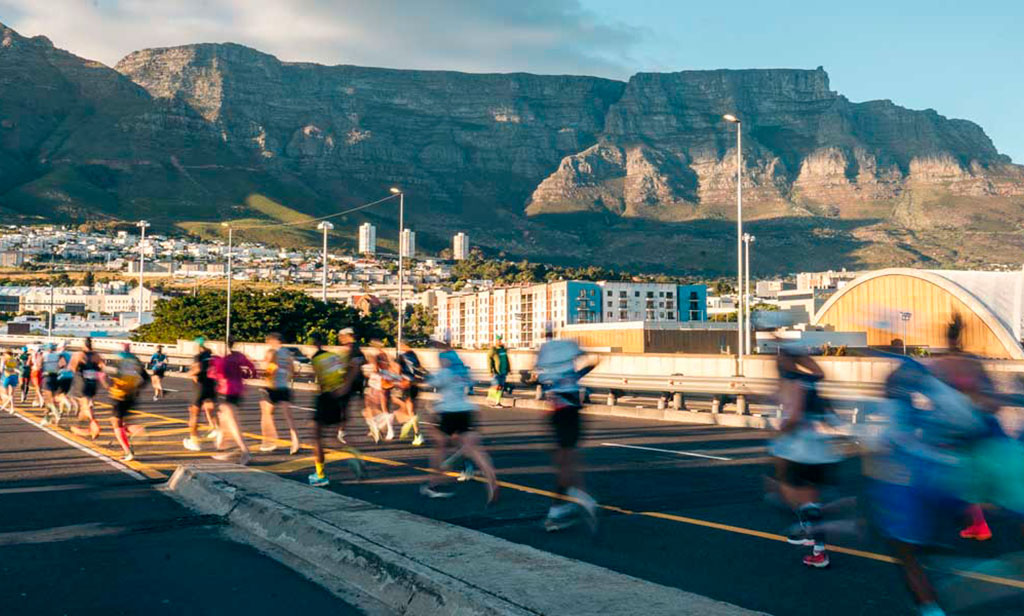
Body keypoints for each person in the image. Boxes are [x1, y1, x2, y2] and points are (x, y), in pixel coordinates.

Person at [771, 347, 844, 569]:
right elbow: (829, 414)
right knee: (808, 499)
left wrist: (779, 434)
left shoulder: (793, 382)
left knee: (787, 492)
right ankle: (815, 543)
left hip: (799, 449)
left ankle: (811, 537)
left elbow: (793, 417)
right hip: (819, 448)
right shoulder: (810, 380)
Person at [533, 325, 599, 532]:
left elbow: (539, 379)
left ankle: (567, 505)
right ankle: (575, 502)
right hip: (571, 413)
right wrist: (590, 365)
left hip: (559, 414)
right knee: (569, 462)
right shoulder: (569, 350)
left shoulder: (545, 355)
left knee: (565, 463)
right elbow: (584, 364)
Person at [421, 337, 499, 502]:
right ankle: (491, 481)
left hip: (448, 412)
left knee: (439, 445)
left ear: (445, 361)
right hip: (466, 410)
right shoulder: (463, 371)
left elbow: (428, 382)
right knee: (476, 450)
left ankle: (434, 483)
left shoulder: (444, 372)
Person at [307, 328, 365, 487]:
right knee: (332, 436)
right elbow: (349, 370)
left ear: (314, 343)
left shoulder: (316, 359)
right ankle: (352, 453)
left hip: (326, 397)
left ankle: (320, 475)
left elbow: (320, 381)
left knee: (317, 436)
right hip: (338, 397)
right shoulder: (334, 356)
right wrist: (344, 388)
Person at [210, 338, 255, 465]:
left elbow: (217, 374)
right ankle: (222, 448)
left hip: (226, 391)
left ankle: (244, 450)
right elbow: (251, 370)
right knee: (224, 421)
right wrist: (242, 374)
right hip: (238, 391)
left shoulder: (219, 360)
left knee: (231, 422)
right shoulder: (239, 357)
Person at [106, 343, 149, 462]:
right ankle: (135, 431)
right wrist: (137, 388)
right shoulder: (136, 361)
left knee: (116, 423)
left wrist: (106, 380)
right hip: (132, 396)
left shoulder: (120, 361)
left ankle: (128, 450)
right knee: (121, 422)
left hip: (119, 395)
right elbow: (146, 378)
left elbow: (113, 375)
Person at [259, 332, 300, 454]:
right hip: (284, 386)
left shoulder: (271, 352)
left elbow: (270, 367)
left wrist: (264, 376)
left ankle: (270, 441)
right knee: (288, 416)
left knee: (266, 414)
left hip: (271, 386)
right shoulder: (287, 352)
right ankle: (296, 441)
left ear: (272, 341)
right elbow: (292, 370)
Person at [183, 337, 218, 452]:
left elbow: (197, 369)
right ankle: (216, 429)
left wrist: (190, 373)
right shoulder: (211, 355)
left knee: (194, 415)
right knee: (210, 409)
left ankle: (194, 442)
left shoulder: (198, 356)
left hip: (200, 387)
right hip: (211, 385)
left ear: (197, 345)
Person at [69, 338, 104, 439]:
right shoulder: (96, 355)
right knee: (85, 404)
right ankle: (79, 427)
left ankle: (94, 424)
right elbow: (102, 366)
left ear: (83, 345)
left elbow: (73, 367)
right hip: (93, 382)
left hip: (82, 382)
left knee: (85, 404)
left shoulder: (79, 355)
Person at [394, 342, 425, 446]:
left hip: (406, 384)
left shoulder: (401, 357)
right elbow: (420, 368)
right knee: (410, 410)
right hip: (415, 384)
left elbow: (397, 372)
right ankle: (412, 428)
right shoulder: (413, 355)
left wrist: (397, 381)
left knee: (410, 411)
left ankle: (417, 434)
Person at [40, 343, 67, 425]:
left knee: (48, 399)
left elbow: (39, 365)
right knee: (52, 398)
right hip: (55, 377)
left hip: (47, 377)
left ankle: (56, 414)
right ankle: (47, 417)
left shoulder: (44, 355)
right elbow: (63, 364)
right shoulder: (57, 355)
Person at [487, 335, 511, 408]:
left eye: (501, 340)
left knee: (501, 387)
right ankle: (489, 398)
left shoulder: (503, 350)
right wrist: (490, 371)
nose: (500, 341)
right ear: (496, 341)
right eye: (498, 340)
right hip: (496, 372)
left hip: (503, 372)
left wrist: (509, 369)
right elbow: (489, 360)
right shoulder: (493, 350)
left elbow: (507, 360)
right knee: (496, 386)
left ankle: (498, 402)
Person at [55, 341, 75, 417]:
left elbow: (61, 365)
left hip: (62, 375)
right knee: (63, 394)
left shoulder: (60, 354)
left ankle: (68, 403)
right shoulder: (69, 354)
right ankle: (61, 411)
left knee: (57, 396)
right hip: (71, 376)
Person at [0, 348, 19, 413]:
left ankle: (7, 401)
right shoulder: (14, 359)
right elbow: (16, 368)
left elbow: (1, 368)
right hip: (14, 376)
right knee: (12, 394)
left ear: (6, 353)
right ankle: (12, 408)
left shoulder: (4, 359)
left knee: (3, 392)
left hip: (6, 376)